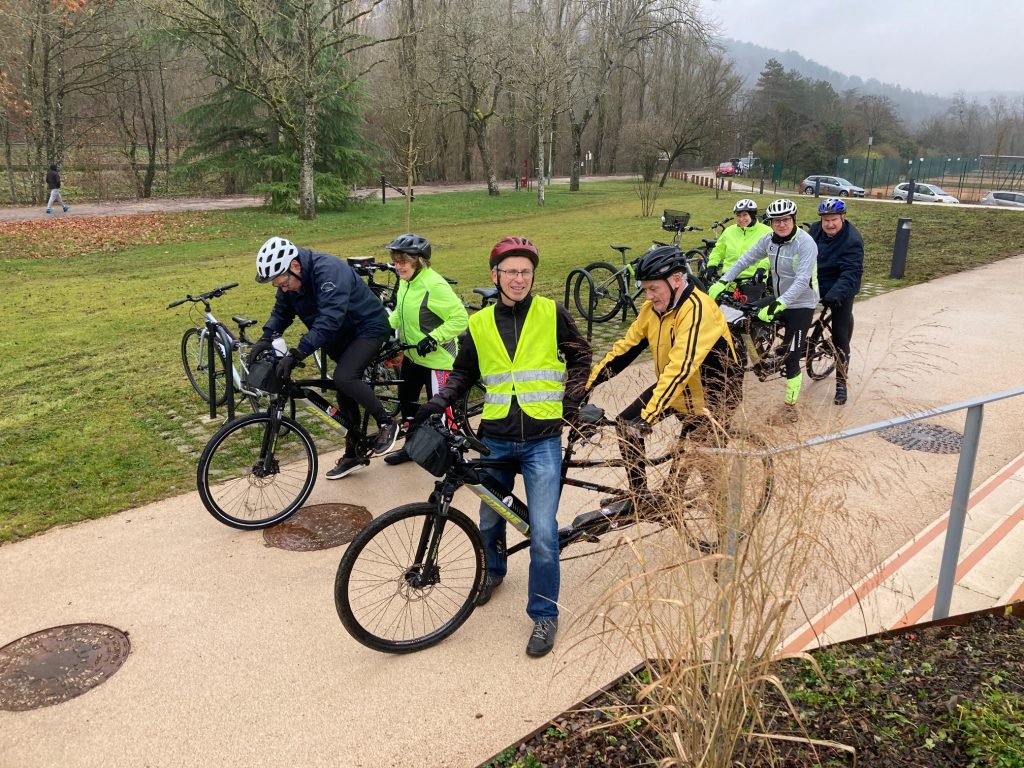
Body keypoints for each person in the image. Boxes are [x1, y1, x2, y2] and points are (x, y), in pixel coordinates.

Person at [415, 236, 592, 658]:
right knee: (490, 518)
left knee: (544, 532)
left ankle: (544, 614)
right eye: (510, 271)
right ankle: (493, 572)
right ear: (495, 276)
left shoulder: (552, 313)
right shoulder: (478, 325)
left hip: (542, 441)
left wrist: (571, 403)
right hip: (494, 438)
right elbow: (462, 374)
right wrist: (439, 401)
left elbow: (582, 355)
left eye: (525, 272)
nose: (518, 279)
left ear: (533, 276)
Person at [588, 245, 741, 500]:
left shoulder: (698, 310)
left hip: (714, 398)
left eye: (653, 288)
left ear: (677, 280)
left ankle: (730, 532)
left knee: (708, 469)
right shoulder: (653, 310)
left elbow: (681, 367)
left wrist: (649, 415)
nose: (647, 296)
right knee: (627, 425)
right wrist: (586, 386)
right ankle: (641, 499)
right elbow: (624, 350)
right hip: (678, 392)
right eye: (644, 288)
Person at [248, 236, 400, 478]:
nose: (283, 289)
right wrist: (266, 337)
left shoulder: (329, 271)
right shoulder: (289, 280)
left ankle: (386, 422)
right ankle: (354, 452)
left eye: (284, 283)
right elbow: (282, 311)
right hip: (340, 335)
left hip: (367, 327)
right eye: (277, 286)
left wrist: (297, 354)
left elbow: (329, 319)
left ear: (295, 266)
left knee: (345, 377)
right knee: (343, 389)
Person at [708, 198, 819, 421]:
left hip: (801, 302)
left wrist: (779, 304)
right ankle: (760, 360)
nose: (781, 224)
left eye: (786, 220)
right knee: (745, 318)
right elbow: (744, 260)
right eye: (777, 221)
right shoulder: (768, 239)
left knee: (791, 356)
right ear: (770, 222)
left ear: (793, 219)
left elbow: (801, 280)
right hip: (779, 296)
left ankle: (790, 408)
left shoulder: (806, 243)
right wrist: (723, 280)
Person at [382, 233, 469, 466]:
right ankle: (411, 448)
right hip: (412, 356)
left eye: (402, 261)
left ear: (418, 261)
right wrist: (382, 330)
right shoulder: (406, 282)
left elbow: (461, 318)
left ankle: (454, 461)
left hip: (437, 361)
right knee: (408, 405)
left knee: (440, 413)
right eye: (395, 260)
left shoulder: (434, 284)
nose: (397, 266)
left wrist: (434, 337)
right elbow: (399, 314)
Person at [807, 198, 863, 406]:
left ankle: (841, 382)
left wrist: (835, 294)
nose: (830, 224)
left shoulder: (852, 240)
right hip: (816, 281)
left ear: (843, 218)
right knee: (794, 314)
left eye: (834, 220)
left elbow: (850, 272)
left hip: (841, 287)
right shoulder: (814, 231)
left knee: (840, 335)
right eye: (826, 220)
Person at [704, 199, 771, 285]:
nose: (741, 219)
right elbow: (718, 250)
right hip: (727, 279)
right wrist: (712, 265)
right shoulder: (729, 231)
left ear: (752, 215)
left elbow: (772, 254)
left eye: (745, 215)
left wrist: (762, 267)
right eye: (738, 215)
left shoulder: (766, 231)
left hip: (753, 279)